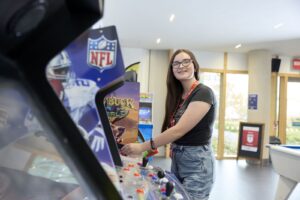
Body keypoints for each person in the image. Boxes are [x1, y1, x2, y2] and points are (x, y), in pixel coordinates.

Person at [121, 49, 216, 200]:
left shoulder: (203, 93)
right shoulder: (179, 97)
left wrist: (142, 147)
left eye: (186, 61)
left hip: (197, 162)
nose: (181, 66)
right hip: (178, 158)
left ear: (195, 65)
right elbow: (172, 129)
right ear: (172, 69)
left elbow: (178, 131)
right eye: (176, 63)